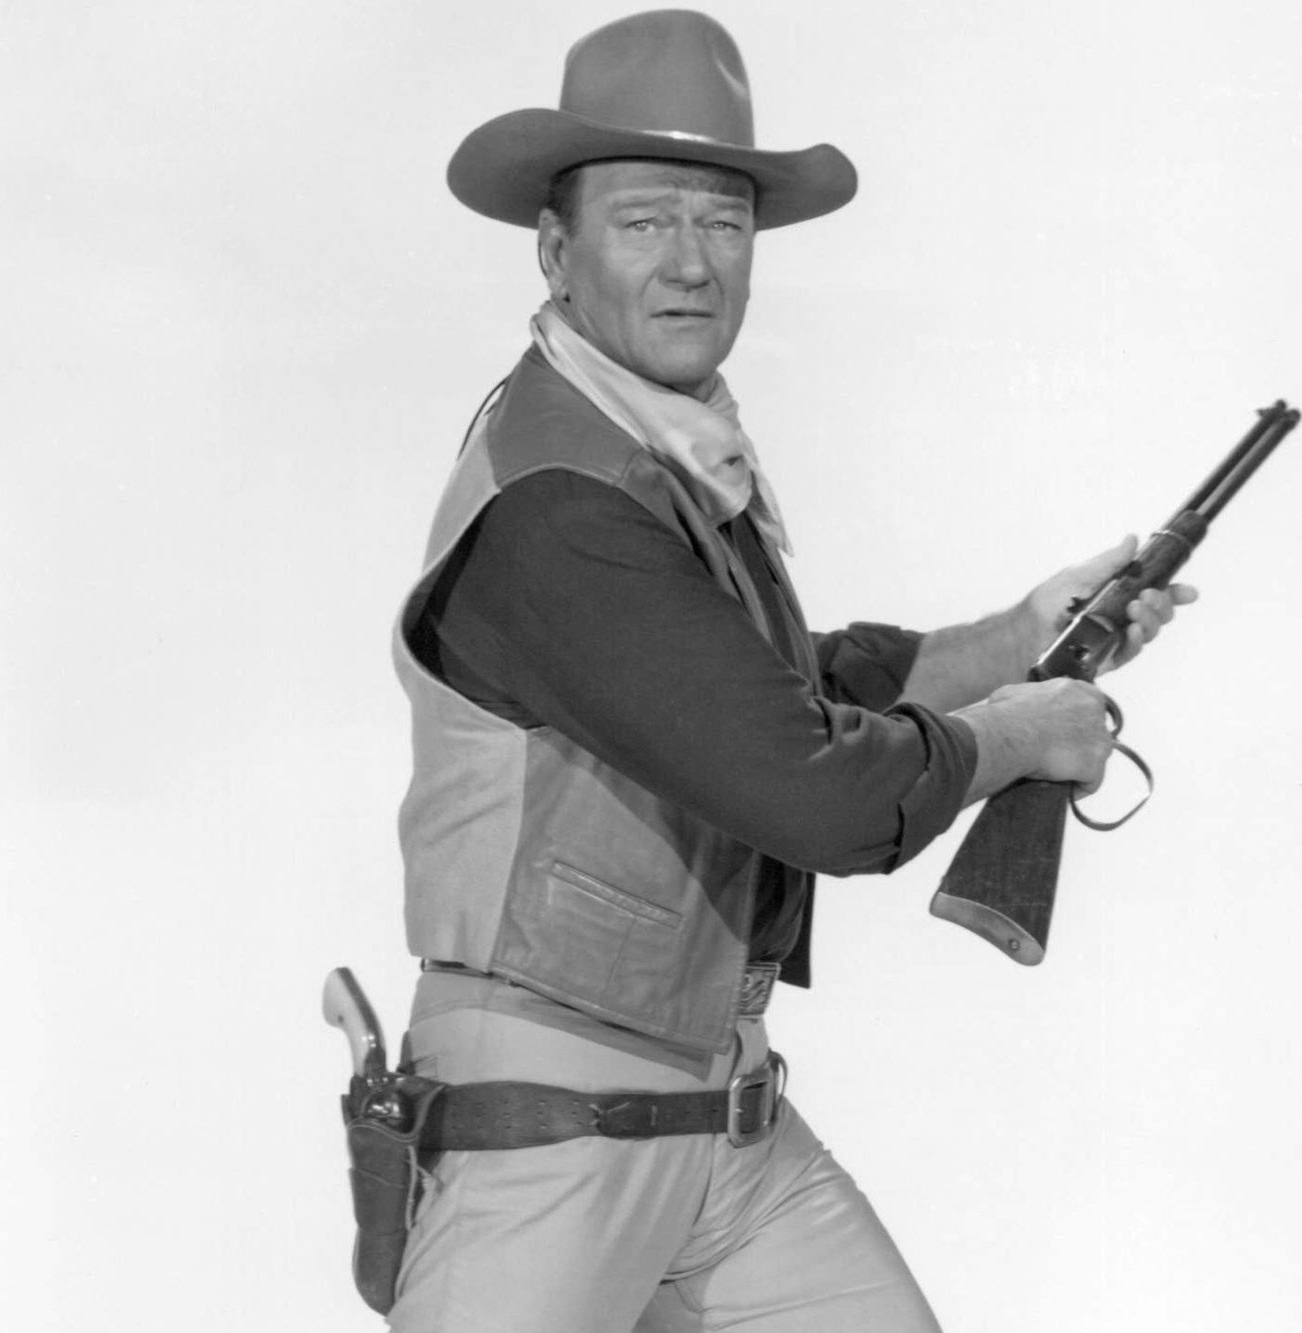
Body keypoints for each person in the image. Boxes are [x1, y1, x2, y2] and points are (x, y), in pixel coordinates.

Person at [382, 11, 1192, 1331]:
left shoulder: (663, 445)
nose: (695, 265)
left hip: (726, 1111)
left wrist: (1027, 627)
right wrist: (1018, 730)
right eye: (646, 221)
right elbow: (817, 794)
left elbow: (777, 687)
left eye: (724, 222)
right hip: (553, 1133)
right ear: (555, 245)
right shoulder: (562, 499)